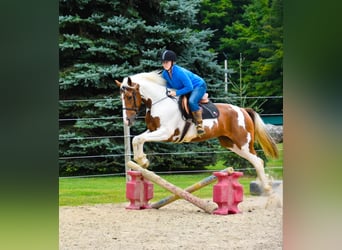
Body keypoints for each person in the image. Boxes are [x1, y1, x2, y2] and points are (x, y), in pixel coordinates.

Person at [160, 49, 207, 136]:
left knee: (192, 101)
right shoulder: (164, 74)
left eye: (167, 62)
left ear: (172, 62)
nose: (165, 64)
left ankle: (199, 125)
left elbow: (189, 87)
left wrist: (176, 93)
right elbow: (167, 86)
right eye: (163, 62)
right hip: (186, 88)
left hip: (198, 86)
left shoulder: (179, 72)